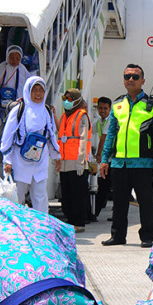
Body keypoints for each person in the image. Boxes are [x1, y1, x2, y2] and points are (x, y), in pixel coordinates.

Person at [98, 64, 153, 248]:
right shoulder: (118, 104)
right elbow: (111, 133)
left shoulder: (152, 104)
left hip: (143, 162)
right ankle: (118, 236)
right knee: (119, 202)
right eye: (127, 76)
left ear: (143, 81)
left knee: (146, 202)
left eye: (135, 77)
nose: (130, 80)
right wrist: (105, 159)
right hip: (119, 163)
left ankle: (147, 236)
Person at [0, 76, 60, 213]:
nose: (38, 94)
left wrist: (56, 156)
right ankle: (15, 228)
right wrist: (7, 160)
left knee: (40, 196)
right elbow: (8, 136)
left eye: (41, 90)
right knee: (17, 197)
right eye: (34, 90)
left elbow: (50, 135)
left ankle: (41, 227)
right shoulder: (19, 110)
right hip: (20, 161)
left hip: (40, 161)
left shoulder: (46, 111)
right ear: (28, 91)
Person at [57, 88, 91, 231]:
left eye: (70, 99)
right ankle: (70, 220)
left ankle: (79, 222)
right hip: (64, 162)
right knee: (66, 195)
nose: (67, 101)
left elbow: (83, 139)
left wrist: (81, 161)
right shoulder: (64, 117)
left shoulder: (82, 116)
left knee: (78, 194)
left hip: (76, 162)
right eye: (65, 98)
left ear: (77, 100)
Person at [0, 45, 30, 114]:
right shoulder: (1, 67)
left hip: (18, 100)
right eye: (12, 58)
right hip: (3, 100)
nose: (15, 60)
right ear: (7, 57)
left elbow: (28, 83)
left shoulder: (22, 69)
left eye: (17, 58)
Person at [93, 96, 113, 218]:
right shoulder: (99, 122)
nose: (103, 111)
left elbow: (104, 138)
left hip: (114, 159)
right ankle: (95, 212)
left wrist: (99, 154)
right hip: (108, 159)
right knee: (105, 186)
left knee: (109, 187)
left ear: (110, 109)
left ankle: (95, 213)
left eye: (105, 108)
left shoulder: (110, 120)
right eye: (100, 108)